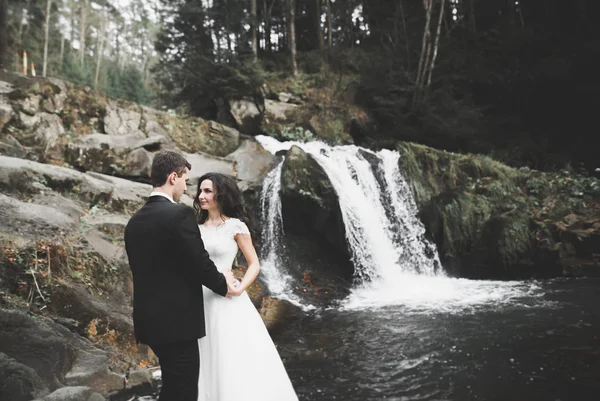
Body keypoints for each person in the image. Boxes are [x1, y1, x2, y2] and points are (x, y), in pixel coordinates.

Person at [124, 151, 238, 401]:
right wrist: (225, 285)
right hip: (177, 323)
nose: (187, 186)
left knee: (173, 386)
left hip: (149, 323)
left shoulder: (134, 221)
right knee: (184, 390)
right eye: (186, 179)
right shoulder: (179, 215)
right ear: (173, 177)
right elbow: (199, 263)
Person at [193, 172, 299, 401]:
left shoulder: (235, 226)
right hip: (200, 297)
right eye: (200, 191)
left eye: (207, 191)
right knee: (204, 353)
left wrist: (240, 288)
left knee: (230, 352)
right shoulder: (195, 226)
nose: (201, 195)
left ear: (221, 194)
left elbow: (254, 264)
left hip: (228, 299)